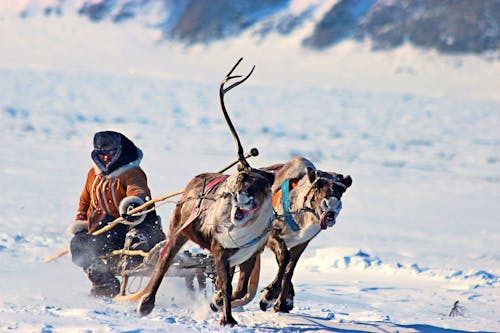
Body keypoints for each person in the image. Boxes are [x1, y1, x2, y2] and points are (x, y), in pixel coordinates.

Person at [67, 130, 165, 298]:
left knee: (136, 239)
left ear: (120, 150)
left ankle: (140, 264)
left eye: (111, 152)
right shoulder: (93, 174)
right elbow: (85, 200)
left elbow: (137, 190)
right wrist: (81, 222)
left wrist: (132, 204)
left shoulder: (131, 171)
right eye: (102, 152)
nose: (106, 157)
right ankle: (104, 282)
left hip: (134, 225)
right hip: (105, 229)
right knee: (79, 245)